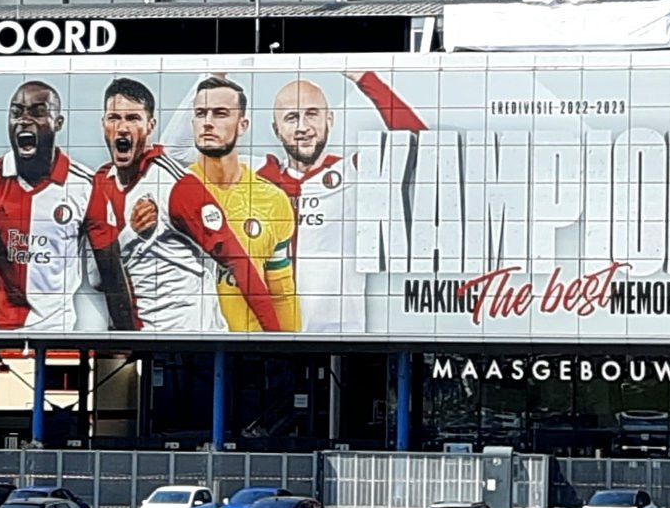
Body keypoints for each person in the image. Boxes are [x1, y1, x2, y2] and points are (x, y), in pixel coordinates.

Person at [159, 70, 425, 332]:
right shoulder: (252, 173)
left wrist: (365, 78)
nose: (302, 127)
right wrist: (217, 72)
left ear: (329, 119)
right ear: (276, 129)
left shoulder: (355, 173)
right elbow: (174, 152)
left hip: (335, 336)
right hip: (264, 333)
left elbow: (427, 147)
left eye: (312, 114)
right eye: (291, 117)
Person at [85, 76, 289, 332]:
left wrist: (276, 338)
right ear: (103, 123)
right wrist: (131, 234)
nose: (122, 128)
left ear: (150, 125)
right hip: (141, 343)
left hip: (191, 344)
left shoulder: (178, 188)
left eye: (133, 118)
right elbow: (96, 277)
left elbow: (239, 262)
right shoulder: (100, 184)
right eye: (114, 118)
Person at [0, 80, 105, 331]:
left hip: (57, 329)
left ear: (58, 122)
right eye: (16, 112)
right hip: (1, 329)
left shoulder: (84, 184)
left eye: (37, 112)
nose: (24, 120)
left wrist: (125, 338)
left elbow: (106, 265)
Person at [176, 75, 300, 331]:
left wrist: (289, 348)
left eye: (220, 114)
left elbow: (282, 289)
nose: (208, 123)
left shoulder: (273, 199)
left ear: (242, 125)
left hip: (252, 346)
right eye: (201, 114)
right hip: (187, 348)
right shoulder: (172, 190)